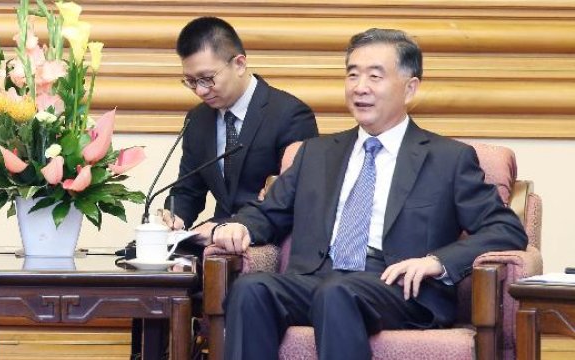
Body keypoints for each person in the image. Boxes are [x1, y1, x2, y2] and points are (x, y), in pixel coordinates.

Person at [211, 28, 528, 360]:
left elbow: (505, 229)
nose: (360, 87)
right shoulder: (316, 154)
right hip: (317, 279)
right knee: (251, 289)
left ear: (410, 88)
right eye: (353, 75)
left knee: (338, 292)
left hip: (398, 287)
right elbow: (266, 213)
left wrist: (437, 262)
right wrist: (240, 227)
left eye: (375, 76)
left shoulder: (447, 158)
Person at [162, 16, 318, 238]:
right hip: (215, 242)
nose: (200, 91)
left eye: (207, 78)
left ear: (239, 64)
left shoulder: (290, 115)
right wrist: (175, 216)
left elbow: (292, 200)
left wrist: (234, 227)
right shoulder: (197, 119)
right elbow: (188, 190)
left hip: (268, 238)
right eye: (191, 81)